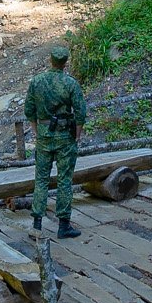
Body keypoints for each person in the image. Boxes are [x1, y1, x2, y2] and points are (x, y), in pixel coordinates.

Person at [25, 44, 87, 238]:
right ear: (65, 62)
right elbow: (80, 113)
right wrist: (76, 135)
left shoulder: (37, 81)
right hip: (65, 137)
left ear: (50, 60)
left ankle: (36, 225)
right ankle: (63, 225)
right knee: (64, 179)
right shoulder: (70, 83)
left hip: (44, 135)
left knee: (41, 179)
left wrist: (37, 131)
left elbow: (29, 110)